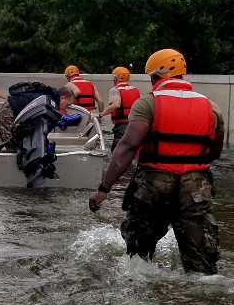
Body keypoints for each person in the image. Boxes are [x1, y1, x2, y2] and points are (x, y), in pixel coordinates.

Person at [89, 48, 225, 275]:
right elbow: (214, 152)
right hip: (196, 188)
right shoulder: (211, 107)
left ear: (155, 77)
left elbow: (127, 147)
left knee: (138, 259)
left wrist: (104, 189)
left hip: (154, 184)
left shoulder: (147, 104)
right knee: (202, 266)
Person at [0, 83, 75, 147]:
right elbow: (38, 126)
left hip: (10, 109)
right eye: (67, 104)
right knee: (13, 147)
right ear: (63, 97)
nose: (66, 108)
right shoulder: (50, 103)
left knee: (21, 144)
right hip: (7, 113)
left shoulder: (48, 96)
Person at [93, 66, 141, 152]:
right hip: (135, 124)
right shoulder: (135, 90)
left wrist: (101, 114)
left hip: (122, 125)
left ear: (115, 78)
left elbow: (116, 105)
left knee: (117, 152)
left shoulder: (115, 90)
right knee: (132, 150)